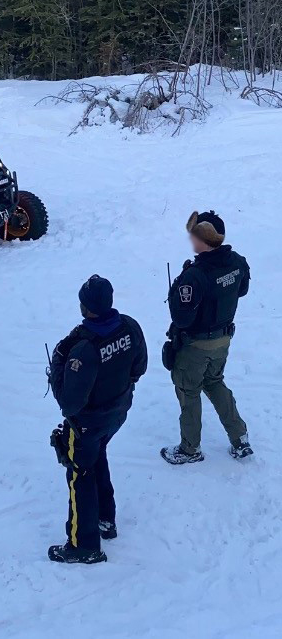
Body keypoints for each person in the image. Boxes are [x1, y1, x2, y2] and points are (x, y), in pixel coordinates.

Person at [47, 276, 147, 564]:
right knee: (97, 455)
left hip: (88, 422)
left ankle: (83, 544)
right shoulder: (129, 326)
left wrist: (57, 368)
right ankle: (106, 518)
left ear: (85, 307)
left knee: (80, 473)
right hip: (117, 413)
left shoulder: (83, 348)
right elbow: (139, 367)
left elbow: (69, 403)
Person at [161, 211, 252, 464]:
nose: (190, 239)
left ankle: (190, 449)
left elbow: (182, 319)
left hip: (196, 346)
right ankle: (240, 438)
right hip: (223, 340)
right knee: (214, 382)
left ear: (202, 239)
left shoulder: (195, 275)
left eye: (193, 235)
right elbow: (242, 290)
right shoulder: (237, 261)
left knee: (189, 391)